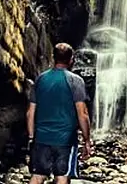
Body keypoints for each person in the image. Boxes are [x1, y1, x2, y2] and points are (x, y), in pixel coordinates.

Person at [27, 43, 92, 184]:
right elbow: (83, 114)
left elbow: (30, 112)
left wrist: (32, 137)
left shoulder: (40, 79)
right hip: (65, 140)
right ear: (71, 59)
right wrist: (87, 140)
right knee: (62, 177)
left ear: (53, 57)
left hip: (41, 137)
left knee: (37, 176)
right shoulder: (76, 81)